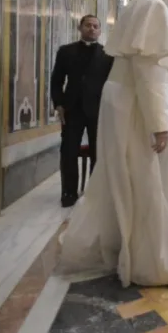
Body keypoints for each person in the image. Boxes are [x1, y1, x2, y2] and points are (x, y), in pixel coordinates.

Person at [58, 0, 168, 287]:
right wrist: (159, 122)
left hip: (133, 104)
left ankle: (126, 249)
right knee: (145, 181)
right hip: (140, 109)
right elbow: (150, 70)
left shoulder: (144, 1)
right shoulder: (154, 7)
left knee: (130, 179)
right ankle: (148, 263)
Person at [50, 15, 113, 207]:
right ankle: (69, 193)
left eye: (95, 26)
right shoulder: (66, 51)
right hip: (72, 109)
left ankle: (94, 192)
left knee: (98, 152)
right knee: (68, 151)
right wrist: (59, 104)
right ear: (80, 27)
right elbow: (56, 81)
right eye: (88, 25)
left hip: (98, 110)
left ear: (100, 31)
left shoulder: (108, 55)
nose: (92, 29)